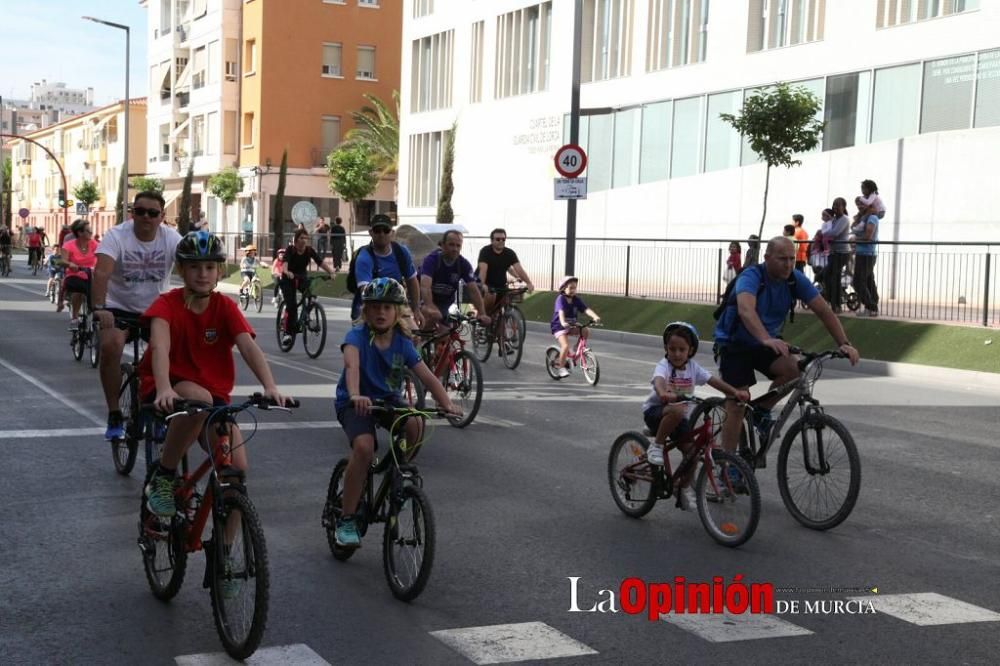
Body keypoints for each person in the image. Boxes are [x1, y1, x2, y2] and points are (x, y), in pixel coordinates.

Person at [139, 231, 292, 519]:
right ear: (181, 269)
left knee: (237, 472)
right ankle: (164, 475)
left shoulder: (225, 306)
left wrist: (270, 386)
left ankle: (228, 560)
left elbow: (248, 346)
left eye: (210, 267)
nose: (202, 274)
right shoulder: (166, 305)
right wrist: (162, 388)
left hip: (212, 397)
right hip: (169, 388)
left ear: (220, 270)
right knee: (198, 398)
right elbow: (160, 347)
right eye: (195, 267)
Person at [333, 277, 460, 548]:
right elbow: (351, 366)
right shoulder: (356, 337)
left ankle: (397, 476)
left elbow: (427, 377)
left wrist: (447, 405)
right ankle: (346, 519)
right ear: (365, 311)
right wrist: (356, 395)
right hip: (355, 402)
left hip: (388, 400)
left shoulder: (402, 343)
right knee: (365, 448)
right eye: (375, 307)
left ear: (397, 312)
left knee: (415, 422)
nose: (381, 312)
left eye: (387, 307)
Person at [713, 236, 859, 456]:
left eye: (792, 259)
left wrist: (845, 344)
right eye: (782, 259)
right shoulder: (751, 276)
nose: (789, 264)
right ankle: (727, 465)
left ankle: (762, 411)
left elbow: (824, 311)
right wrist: (765, 338)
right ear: (767, 257)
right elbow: (746, 310)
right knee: (737, 403)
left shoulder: (794, 279)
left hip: (765, 342)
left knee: (795, 370)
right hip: (734, 344)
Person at [92, 191, 183, 441]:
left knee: (167, 354)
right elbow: (101, 273)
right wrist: (99, 307)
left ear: (162, 217)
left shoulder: (172, 238)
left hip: (154, 308)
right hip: (117, 305)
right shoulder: (116, 236)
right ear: (132, 213)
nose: (145, 217)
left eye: (152, 213)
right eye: (139, 211)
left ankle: (161, 408)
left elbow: (190, 268)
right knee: (111, 346)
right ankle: (114, 413)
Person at [643, 322, 749, 509]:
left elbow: (713, 381)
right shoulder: (664, 366)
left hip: (678, 418)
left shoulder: (693, 368)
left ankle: (681, 487)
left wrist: (734, 392)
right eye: (672, 349)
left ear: (691, 350)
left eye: (682, 349)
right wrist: (663, 393)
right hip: (656, 412)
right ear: (666, 349)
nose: (676, 354)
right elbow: (659, 380)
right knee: (677, 409)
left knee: (693, 454)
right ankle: (656, 446)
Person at [350, 214, 422, 327]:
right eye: (377, 230)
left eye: (386, 230)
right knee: (366, 339)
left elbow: (412, 281)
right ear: (371, 232)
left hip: (396, 305)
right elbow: (366, 292)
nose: (381, 234)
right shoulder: (364, 258)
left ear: (392, 233)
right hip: (369, 306)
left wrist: (416, 309)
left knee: (414, 335)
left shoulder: (401, 252)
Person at [418, 230, 490, 331]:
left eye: (458, 246)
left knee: (447, 334)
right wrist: (430, 306)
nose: (455, 249)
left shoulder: (463, 264)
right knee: (434, 326)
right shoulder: (432, 260)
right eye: (451, 245)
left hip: (444, 304)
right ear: (443, 245)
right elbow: (425, 287)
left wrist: (482, 313)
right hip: (424, 300)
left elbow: (473, 290)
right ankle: (417, 341)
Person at [280, 228, 335, 345]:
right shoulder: (291, 250)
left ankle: (307, 317)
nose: (304, 241)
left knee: (311, 294)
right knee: (292, 306)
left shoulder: (309, 251)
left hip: (301, 277)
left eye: (306, 238)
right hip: (288, 278)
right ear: (296, 240)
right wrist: (286, 272)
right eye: (301, 238)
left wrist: (331, 272)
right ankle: (287, 333)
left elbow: (320, 262)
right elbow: (285, 264)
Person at [550, 276, 601, 378]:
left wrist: (595, 316)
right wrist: (563, 322)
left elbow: (586, 309)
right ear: (564, 288)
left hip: (572, 325)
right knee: (565, 346)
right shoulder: (560, 299)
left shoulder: (576, 299)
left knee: (585, 330)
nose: (573, 290)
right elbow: (561, 312)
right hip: (559, 326)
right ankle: (561, 368)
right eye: (570, 288)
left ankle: (577, 347)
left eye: (575, 288)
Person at [477, 228, 535, 315]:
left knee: (502, 310)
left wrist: (528, 282)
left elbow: (518, 268)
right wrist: (483, 284)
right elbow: (483, 270)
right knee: (491, 296)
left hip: (500, 285)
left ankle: (500, 323)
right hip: (487, 284)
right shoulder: (485, 251)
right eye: (498, 239)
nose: (501, 241)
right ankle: (481, 317)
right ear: (492, 240)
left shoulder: (509, 253)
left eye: (503, 239)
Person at [60, 219, 99, 323]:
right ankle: (75, 317)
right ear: (80, 233)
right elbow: (62, 260)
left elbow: (102, 255)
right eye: (88, 231)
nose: (91, 233)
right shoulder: (69, 245)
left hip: (91, 273)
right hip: (75, 273)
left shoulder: (94, 244)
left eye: (91, 231)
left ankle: (95, 311)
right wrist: (70, 264)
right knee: (79, 290)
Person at [852, 197, 880, 317]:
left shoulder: (872, 218)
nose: (859, 206)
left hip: (867, 254)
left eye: (862, 204)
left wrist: (855, 239)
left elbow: (868, 236)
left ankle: (871, 306)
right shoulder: (863, 218)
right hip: (862, 253)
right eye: (857, 204)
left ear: (869, 205)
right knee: (868, 281)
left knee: (858, 281)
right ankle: (872, 306)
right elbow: (853, 227)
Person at [823, 198, 852, 312]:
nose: (835, 207)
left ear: (844, 207)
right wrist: (827, 233)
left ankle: (836, 305)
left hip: (842, 253)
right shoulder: (834, 219)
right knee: (827, 276)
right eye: (834, 205)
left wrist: (826, 233)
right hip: (833, 252)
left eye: (838, 205)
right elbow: (827, 232)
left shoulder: (844, 219)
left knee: (834, 277)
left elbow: (834, 233)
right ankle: (833, 301)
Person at [808, 209, 833, 284]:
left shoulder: (829, 225)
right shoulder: (823, 228)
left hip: (822, 259)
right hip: (819, 259)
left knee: (821, 274)